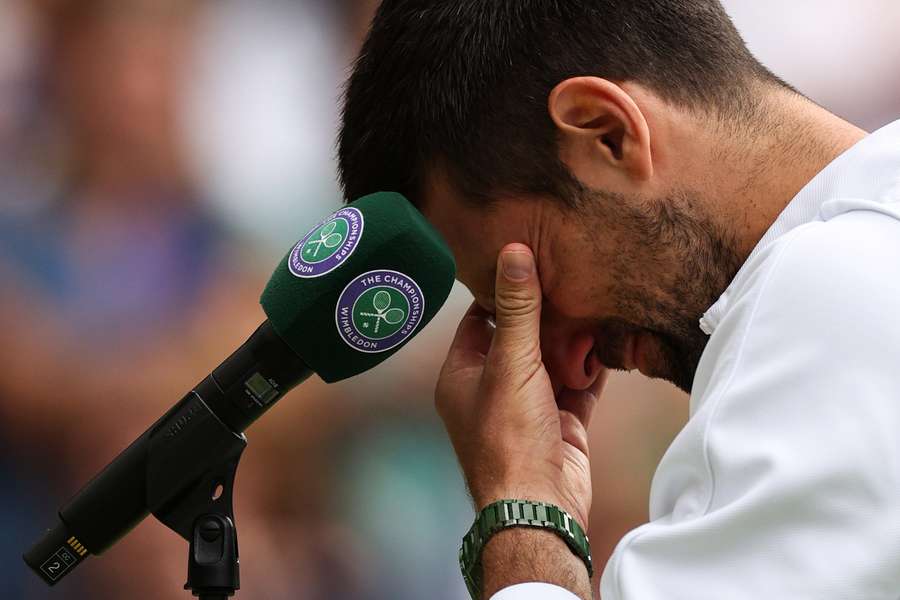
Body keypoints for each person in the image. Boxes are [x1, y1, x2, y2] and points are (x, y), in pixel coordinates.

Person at [337, 1, 900, 599]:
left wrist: (520, 507)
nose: (569, 365)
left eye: (533, 288)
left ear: (608, 133)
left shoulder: (827, 295)